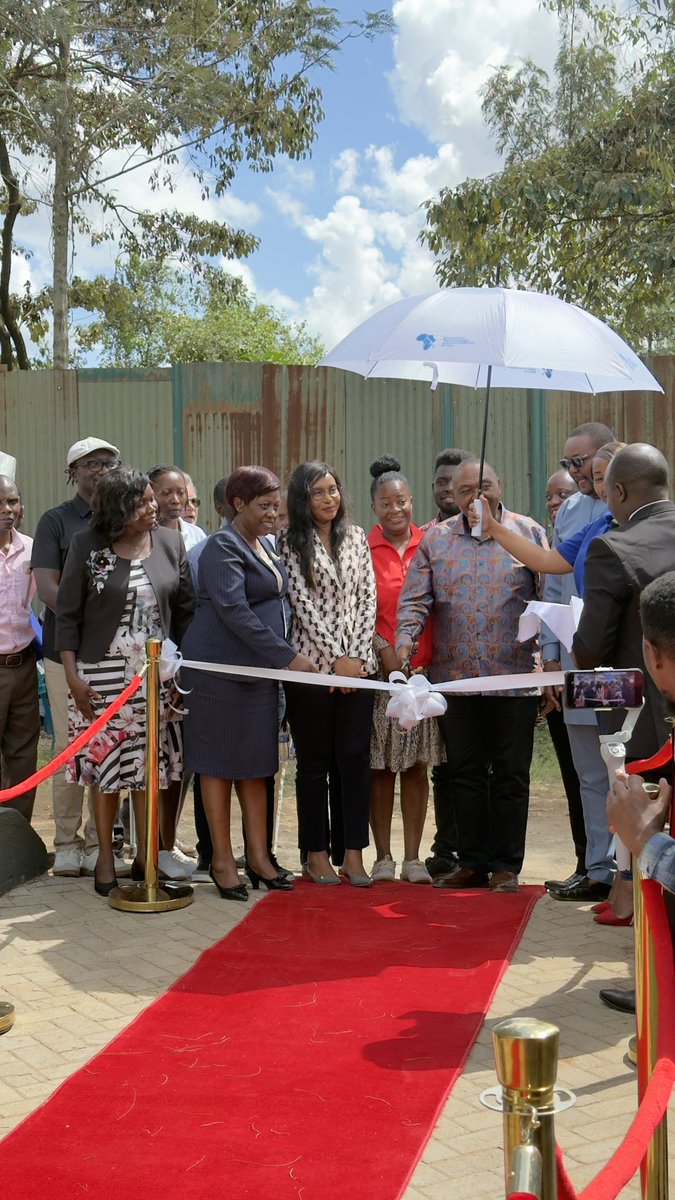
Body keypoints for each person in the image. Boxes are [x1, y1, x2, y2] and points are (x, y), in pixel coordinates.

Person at [397, 458, 547, 894]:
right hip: (456, 679)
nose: (474, 496)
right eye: (464, 490)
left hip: (514, 677)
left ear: (501, 486)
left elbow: (549, 598)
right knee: (464, 773)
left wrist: (549, 659)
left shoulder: (529, 533)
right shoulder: (436, 539)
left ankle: (506, 866)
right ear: (454, 496)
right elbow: (415, 599)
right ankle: (473, 862)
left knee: (511, 774)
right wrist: (406, 638)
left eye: (483, 486)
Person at [55, 467, 195, 896]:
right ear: (118, 509)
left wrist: (180, 675)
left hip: (155, 675)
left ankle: (146, 856)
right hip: (100, 678)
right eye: (143, 502)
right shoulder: (87, 545)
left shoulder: (170, 542)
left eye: (153, 499)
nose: (154, 507)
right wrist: (73, 677)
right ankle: (104, 858)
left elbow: (185, 614)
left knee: (149, 768)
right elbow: (67, 616)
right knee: (107, 770)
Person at [182, 466, 314, 901]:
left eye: (276, 505)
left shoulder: (265, 544)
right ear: (238, 505)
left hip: (257, 677)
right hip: (217, 675)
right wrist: (287, 656)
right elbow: (234, 611)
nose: (273, 513)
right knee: (217, 768)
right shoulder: (222, 546)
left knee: (258, 767)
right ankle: (222, 860)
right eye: (264, 506)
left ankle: (258, 857)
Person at [278, 461, 377, 887]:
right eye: (317, 492)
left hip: (358, 668)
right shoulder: (288, 541)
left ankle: (353, 854)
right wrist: (335, 659)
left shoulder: (357, 537)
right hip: (311, 669)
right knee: (315, 762)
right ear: (302, 499)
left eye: (333, 489)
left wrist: (354, 658)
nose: (328, 498)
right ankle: (315, 854)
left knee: (354, 760)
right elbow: (301, 604)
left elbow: (368, 598)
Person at [31, 435, 121, 876]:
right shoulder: (56, 522)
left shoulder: (124, 520)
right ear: (73, 473)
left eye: (109, 463)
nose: (102, 471)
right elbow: (48, 588)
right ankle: (67, 841)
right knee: (70, 745)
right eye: (92, 464)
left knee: (111, 746)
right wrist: (90, 620)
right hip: (64, 650)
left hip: (116, 654)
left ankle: (99, 844)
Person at [539, 421, 617, 902]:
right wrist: (550, 656)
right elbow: (553, 585)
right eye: (568, 464)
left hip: (618, 664)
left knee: (623, 771)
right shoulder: (569, 510)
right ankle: (598, 870)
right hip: (574, 662)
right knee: (588, 773)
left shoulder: (628, 510)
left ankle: (632, 874)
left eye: (580, 462)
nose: (575, 472)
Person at [367, 456, 444, 884]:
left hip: (422, 674)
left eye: (402, 501)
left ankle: (414, 858)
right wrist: (383, 651)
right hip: (383, 676)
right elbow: (359, 611)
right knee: (380, 768)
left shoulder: (431, 544)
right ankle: (383, 857)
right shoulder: (363, 549)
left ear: (412, 501)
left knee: (416, 768)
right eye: (386, 503)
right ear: (374, 507)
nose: (395, 509)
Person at [421, 447, 472, 878]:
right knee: (443, 765)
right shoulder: (425, 538)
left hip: (484, 672)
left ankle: (482, 851)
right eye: (441, 482)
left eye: (456, 483)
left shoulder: (502, 533)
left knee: (480, 767)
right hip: (434, 673)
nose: (448, 489)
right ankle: (447, 847)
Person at [0, 475, 39, 823]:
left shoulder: (31, 548)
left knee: (23, 755)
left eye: (12, 501)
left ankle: (17, 834)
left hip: (24, 666)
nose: (6, 510)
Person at [148, 464, 206, 553]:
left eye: (181, 493)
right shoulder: (142, 537)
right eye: (166, 493)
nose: (175, 500)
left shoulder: (197, 535)